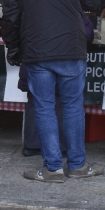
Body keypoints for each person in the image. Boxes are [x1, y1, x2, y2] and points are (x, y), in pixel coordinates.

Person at [2, 0, 102, 183]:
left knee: (44, 107)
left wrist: (12, 46)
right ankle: (78, 165)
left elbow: (10, 13)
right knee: (72, 106)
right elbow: (93, 2)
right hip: (71, 46)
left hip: (36, 49)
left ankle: (53, 168)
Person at [19, 14, 95, 157]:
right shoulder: (69, 5)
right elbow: (87, 33)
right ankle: (61, 147)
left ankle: (32, 144)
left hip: (35, 58)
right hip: (64, 57)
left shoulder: (32, 5)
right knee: (64, 104)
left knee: (37, 103)